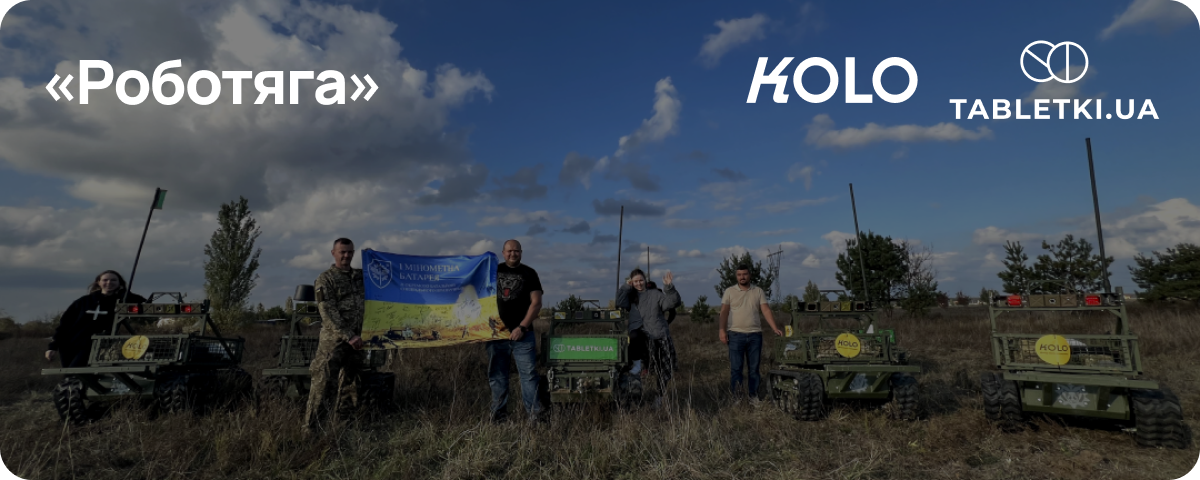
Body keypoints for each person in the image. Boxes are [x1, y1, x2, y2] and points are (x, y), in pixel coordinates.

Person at [304, 238, 366, 433]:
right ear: (333, 253)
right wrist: (349, 335)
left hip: (357, 343)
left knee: (351, 387)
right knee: (323, 387)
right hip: (334, 343)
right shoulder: (326, 279)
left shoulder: (361, 277)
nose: (346, 255)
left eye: (350, 252)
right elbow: (328, 312)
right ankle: (312, 433)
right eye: (342, 252)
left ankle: (344, 429)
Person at [488, 239, 544, 424]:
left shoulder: (529, 273)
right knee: (497, 376)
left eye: (516, 251)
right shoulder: (492, 272)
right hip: (496, 335)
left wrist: (522, 327)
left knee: (528, 376)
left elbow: (536, 303)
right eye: (509, 251)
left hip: (523, 335)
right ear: (503, 253)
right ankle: (498, 416)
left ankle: (534, 416)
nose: (513, 254)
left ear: (521, 252)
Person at [46, 270, 147, 368]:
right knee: (70, 375)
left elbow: (146, 304)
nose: (109, 283)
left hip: (97, 345)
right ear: (98, 282)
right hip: (70, 344)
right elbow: (64, 325)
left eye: (113, 280)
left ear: (119, 283)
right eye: (105, 280)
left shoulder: (122, 301)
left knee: (75, 372)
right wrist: (53, 347)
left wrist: (124, 293)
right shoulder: (83, 301)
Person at [616, 268, 681, 408]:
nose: (639, 283)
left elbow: (672, 303)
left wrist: (669, 287)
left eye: (641, 280)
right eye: (635, 281)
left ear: (645, 280)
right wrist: (626, 287)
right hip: (640, 336)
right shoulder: (630, 296)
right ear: (632, 282)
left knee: (661, 369)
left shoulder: (655, 294)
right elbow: (619, 302)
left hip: (658, 334)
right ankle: (636, 369)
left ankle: (660, 397)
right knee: (634, 336)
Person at [719, 264, 783, 402]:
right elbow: (724, 312)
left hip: (755, 335)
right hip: (735, 335)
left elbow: (765, 310)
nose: (742, 277)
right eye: (739, 275)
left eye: (745, 274)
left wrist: (774, 328)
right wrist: (722, 330)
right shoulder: (729, 291)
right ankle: (737, 398)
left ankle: (753, 396)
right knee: (736, 369)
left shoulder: (758, 291)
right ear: (736, 276)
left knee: (754, 369)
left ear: (749, 275)